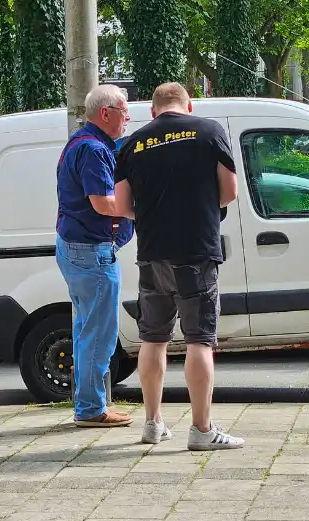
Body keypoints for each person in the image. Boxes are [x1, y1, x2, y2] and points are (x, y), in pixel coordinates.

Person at [114, 82, 244, 450]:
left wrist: (154, 214)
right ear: (189, 105)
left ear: (153, 111)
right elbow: (230, 191)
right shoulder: (209, 131)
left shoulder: (133, 143)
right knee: (199, 340)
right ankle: (202, 430)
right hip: (196, 251)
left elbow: (122, 205)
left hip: (152, 253)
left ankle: (153, 423)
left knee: (152, 338)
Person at [55, 84, 135, 428]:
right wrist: (141, 207)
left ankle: (89, 404)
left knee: (86, 330)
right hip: (91, 253)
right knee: (99, 334)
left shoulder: (80, 142)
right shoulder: (92, 150)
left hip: (77, 248)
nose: (128, 119)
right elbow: (103, 204)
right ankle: (90, 409)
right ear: (106, 113)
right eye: (124, 112)